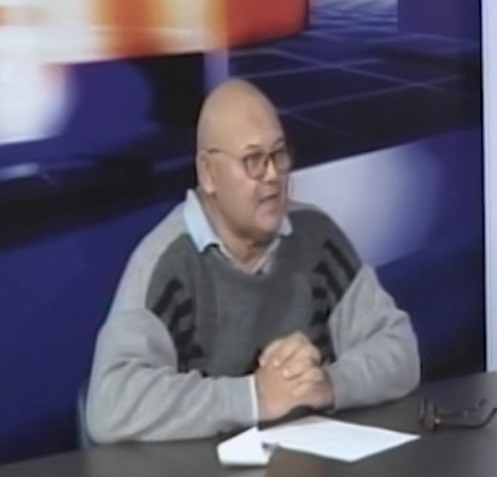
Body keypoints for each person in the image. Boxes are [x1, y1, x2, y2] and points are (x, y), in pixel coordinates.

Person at [86, 79, 420, 443]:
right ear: (208, 173)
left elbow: (400, 350)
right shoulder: (167, 262)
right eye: (254, 161)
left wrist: (327, 384)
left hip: (316, 470)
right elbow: (111, 404)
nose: (273, 175)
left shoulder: (317, 236)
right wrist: (256, 397)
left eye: (279, 154)